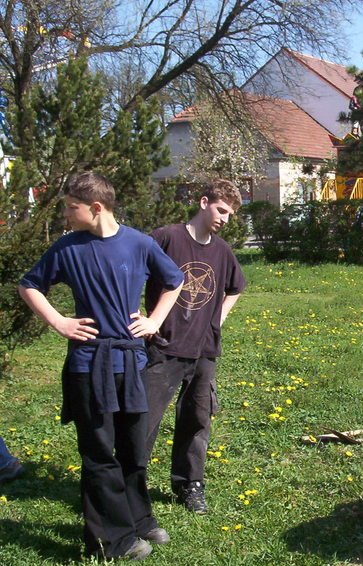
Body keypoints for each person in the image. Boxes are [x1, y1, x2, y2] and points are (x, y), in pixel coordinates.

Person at [18, 172, 185, 561]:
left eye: (70, 207)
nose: (65, 214)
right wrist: (59, 321)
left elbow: (174, 280)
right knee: (98, 454)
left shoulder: (139, 243)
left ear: (96, 207)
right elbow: (29, 285)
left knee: (133, 449)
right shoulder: (67, 248)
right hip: (89, 363)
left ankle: (139, 520)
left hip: (131, 361)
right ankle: (113, 539)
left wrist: (155, 320)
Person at [144, 179, 246, 514]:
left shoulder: (222, 251)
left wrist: (218, 319)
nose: (224, 219)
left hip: (204, 350)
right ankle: (130, 484)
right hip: (163, 345)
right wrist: (143, 317)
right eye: (221, 210)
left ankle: (190, 484)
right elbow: (131, 272)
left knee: (197, 419)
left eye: (229, 215)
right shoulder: (166, 237)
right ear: (203, 202)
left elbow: (236, 287)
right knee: (144, 419)